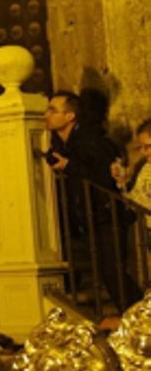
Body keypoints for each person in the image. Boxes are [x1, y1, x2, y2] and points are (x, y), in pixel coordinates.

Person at [46, 91, 141, 312]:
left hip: (106, 214)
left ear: (70, 116)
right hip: (87, 216)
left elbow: (106, 177)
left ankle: (138, 316)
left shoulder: (92, 141)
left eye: (53, 110)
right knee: (108, 272)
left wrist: (69, 166)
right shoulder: (61, 143)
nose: (46, 114)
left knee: (113, 271)